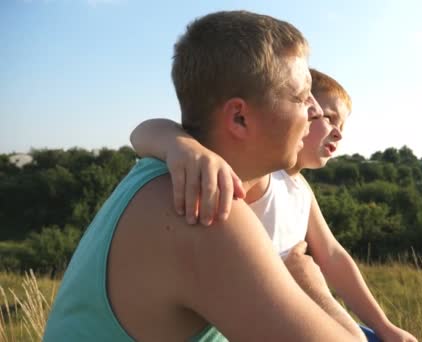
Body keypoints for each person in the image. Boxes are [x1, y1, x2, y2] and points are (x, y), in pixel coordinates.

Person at [43, 11, 369, 341]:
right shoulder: (205, 208)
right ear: (239, 118)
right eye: (301, 97)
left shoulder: (161, 174)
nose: (314, 111)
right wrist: (309, 282)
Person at [131, 69, 418, 342]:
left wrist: (385, 326)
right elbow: (144, 132)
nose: (338, 132)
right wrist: (181, 146)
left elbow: (332, 256)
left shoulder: (301, 190)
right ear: (301, 114)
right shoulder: (262, 175)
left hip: (291, 315)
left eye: (342, 125)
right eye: (329, 118)